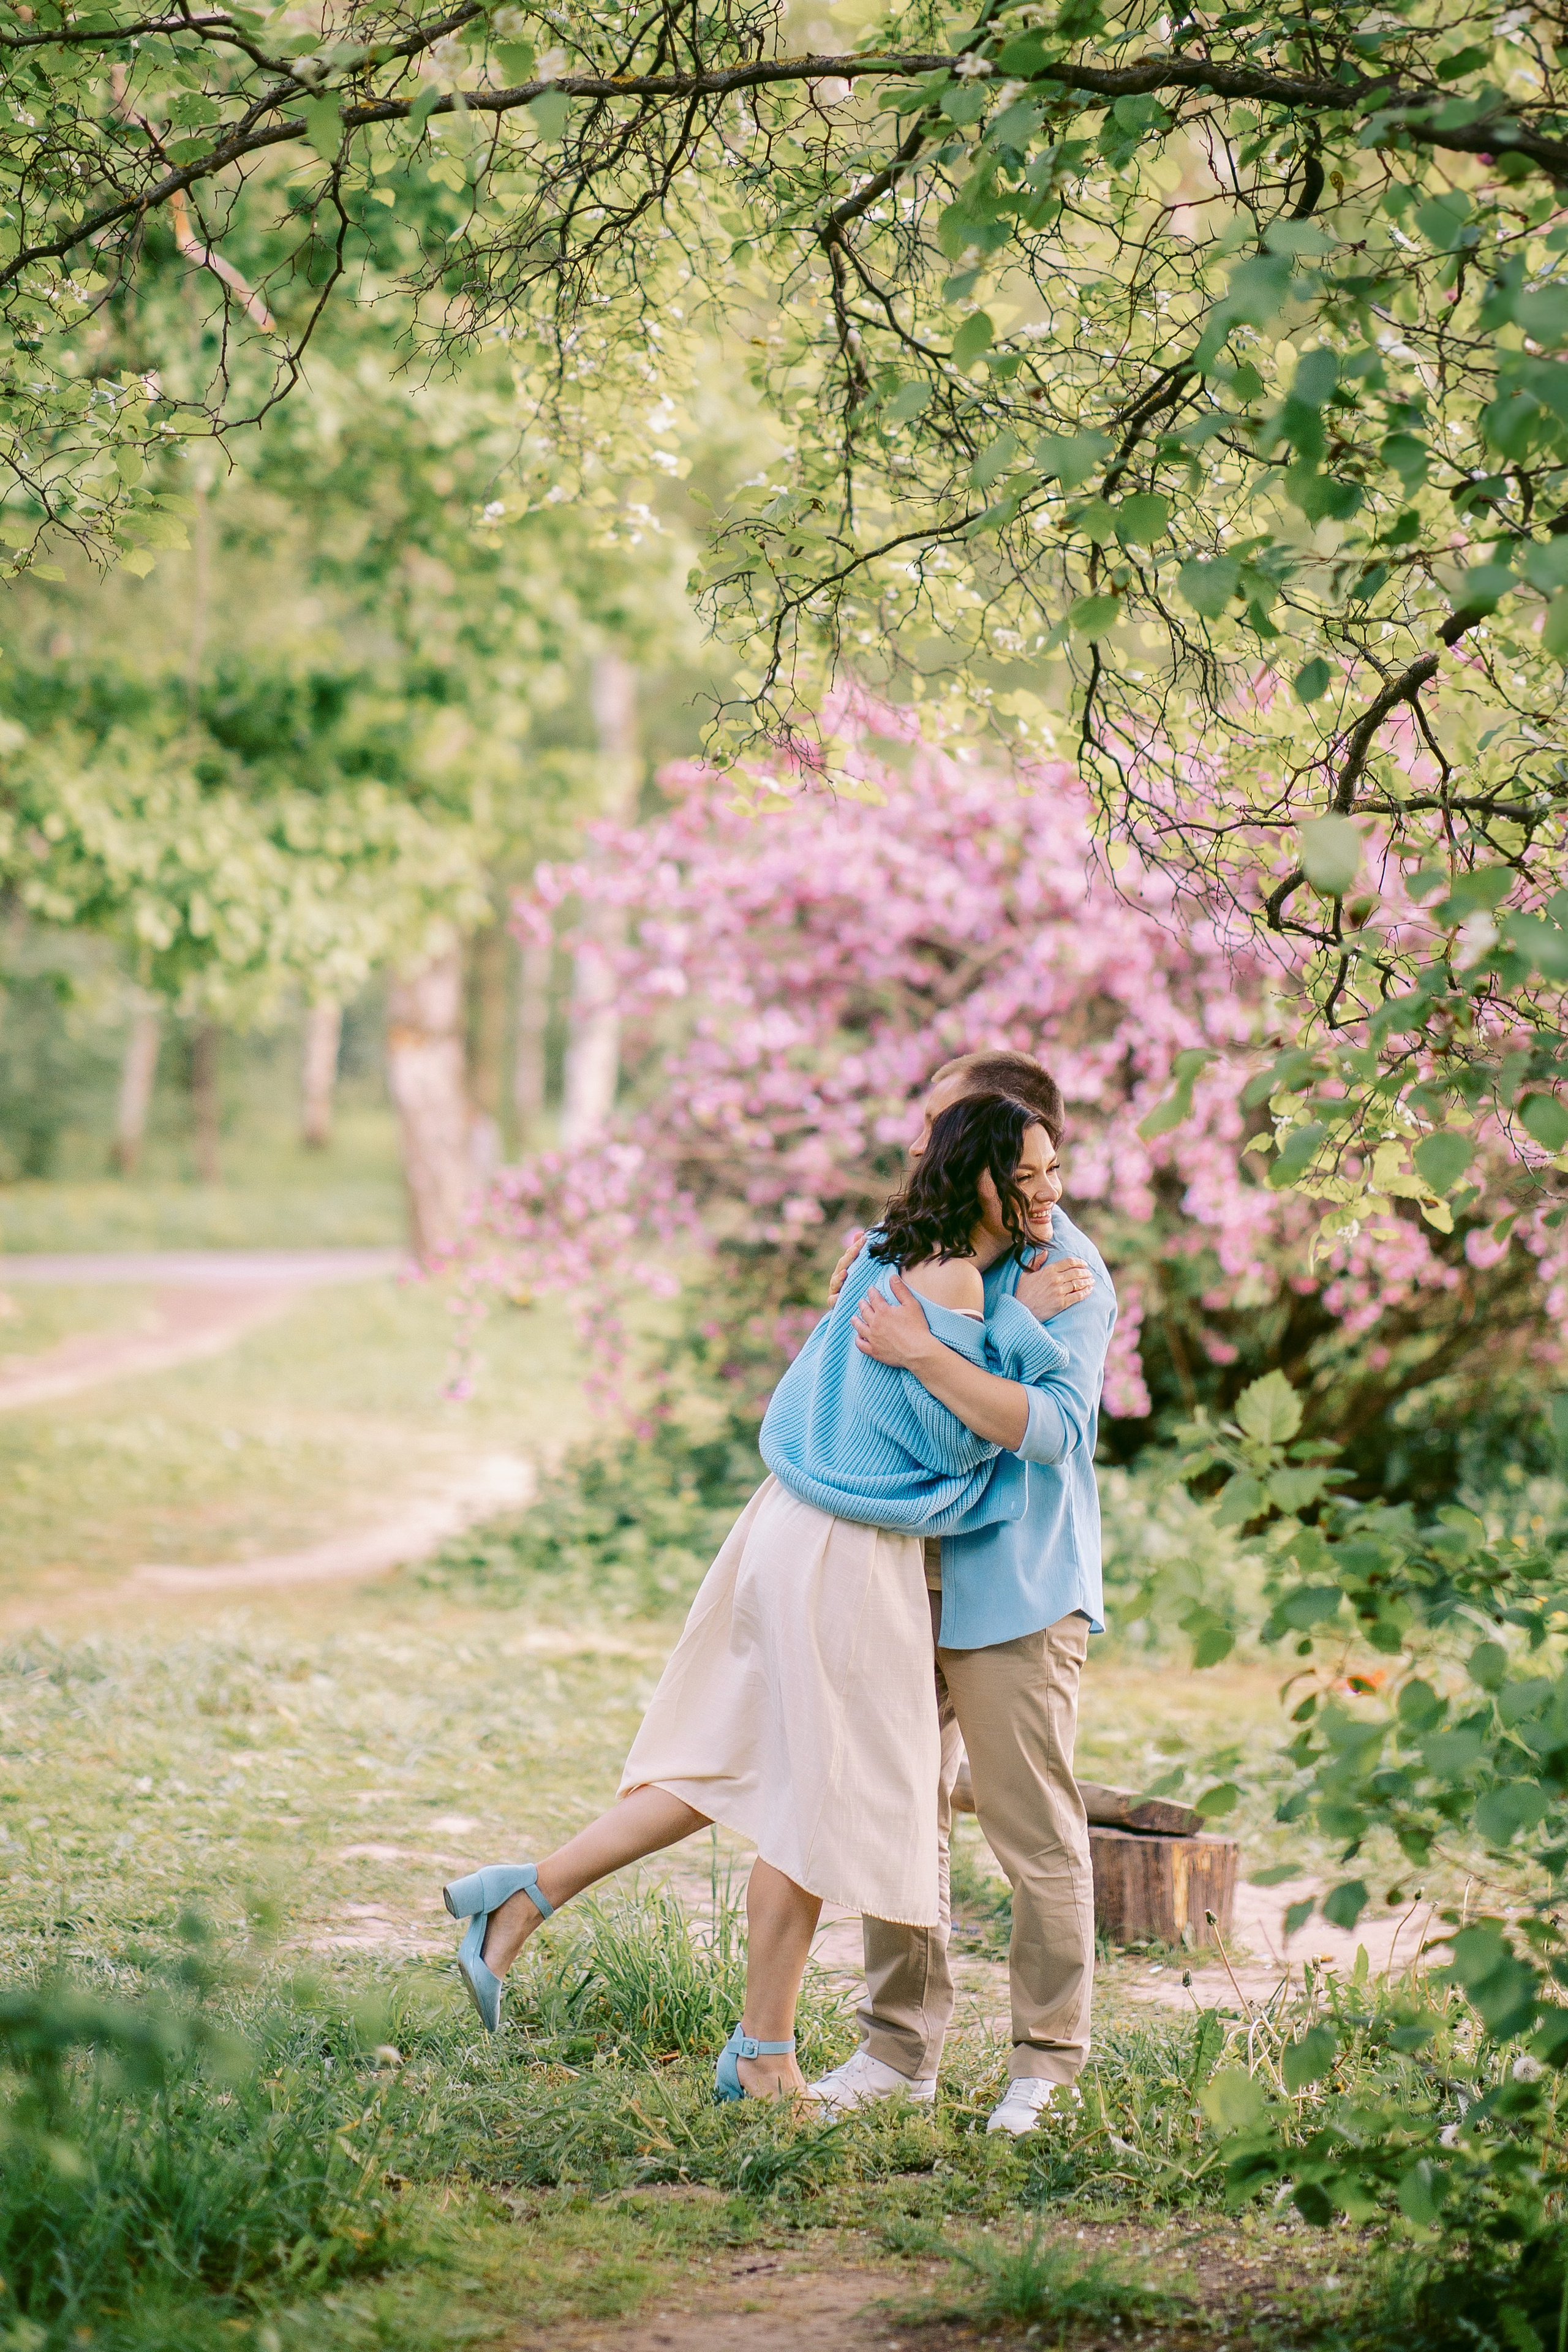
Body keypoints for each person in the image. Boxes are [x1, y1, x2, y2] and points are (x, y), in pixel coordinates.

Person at [440, 1091, 1087, 2103]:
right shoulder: (961, 1277)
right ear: (976, 1180)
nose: (1049, 1191)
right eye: (1027, 1173)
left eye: (1054, 1168)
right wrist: (1019, 1326)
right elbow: (953, 1442)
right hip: (851, 1551)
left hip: (786, 1520)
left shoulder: (883, 1248)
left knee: (735, 1759)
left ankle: (526, 1894)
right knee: (813, 1796)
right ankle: (763, 2056)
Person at [804, 1049, 1116, 2138]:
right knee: (901, 1813)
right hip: (906, 1573)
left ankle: (1048, 2066)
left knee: (1034, 1833)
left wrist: (936, 1353)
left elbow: (1052, 1430)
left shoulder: (1067, 1271)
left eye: (940, 1126)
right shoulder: (922, 1247)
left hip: (1014, 1588)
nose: (916, 1144)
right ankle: (899, 2050)